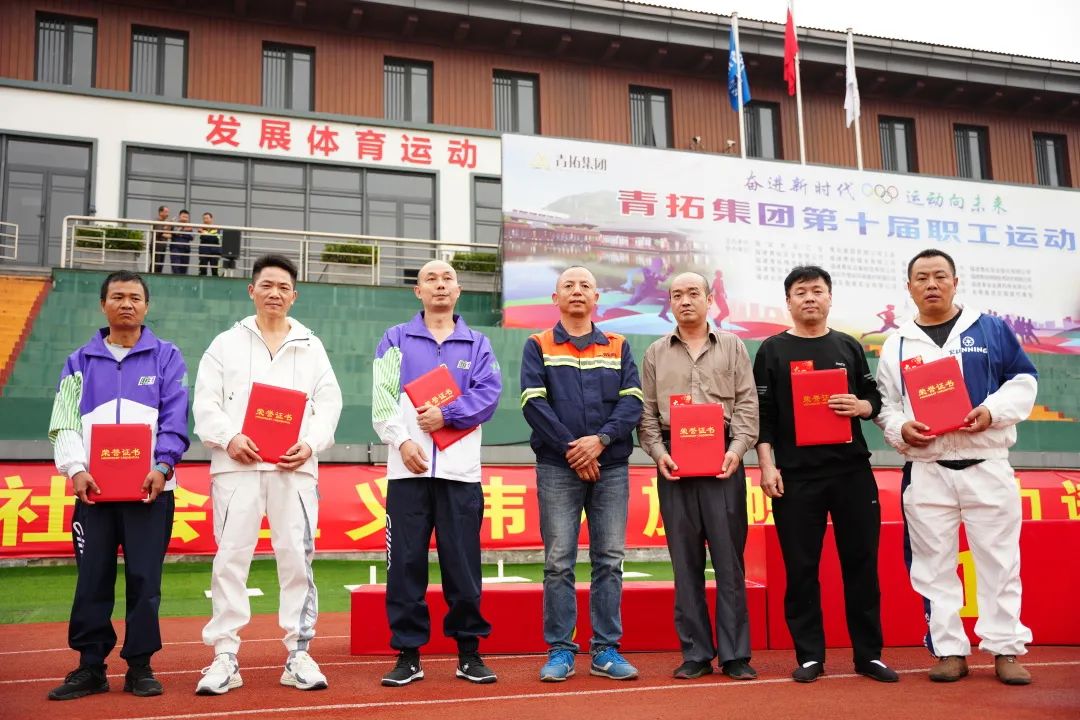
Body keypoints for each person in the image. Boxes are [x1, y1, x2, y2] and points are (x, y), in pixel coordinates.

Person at [875, 248, 1037, 686]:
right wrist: (901, 428)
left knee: (1000, 561)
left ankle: (1005, 648)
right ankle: (948, 650)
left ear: (955, 282)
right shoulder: (897, 343)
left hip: (987, 464)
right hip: (928, 469)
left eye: (940, 276)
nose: (931, 284)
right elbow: (887, 405)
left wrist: (992, 411)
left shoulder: (990, 329)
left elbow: (1024, 380)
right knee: (933, 564)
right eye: (922, 278)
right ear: (909, 287)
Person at [193, 254, 342, 695]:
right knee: (230, 559)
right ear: (251, 291)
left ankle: (298, 653)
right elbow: (205, 402)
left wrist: (310, 443)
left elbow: (329, 404)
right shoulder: (225, 344)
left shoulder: (311, 346)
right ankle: (224, 655)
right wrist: (228, 437)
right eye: (266, 285)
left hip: (293, 470)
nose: (274, 293)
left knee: (296, 558)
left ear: (294, 295)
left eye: (283, 287)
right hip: (236, 468)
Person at [46, 270, 190, 701]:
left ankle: (140, 666)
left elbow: (175, 418)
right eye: (117, 296)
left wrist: (163, 465)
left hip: (151, 491)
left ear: (146, 306)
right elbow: (64, 422)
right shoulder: (79, 361)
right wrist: (76, 469)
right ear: (103, 304)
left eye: (135, 297)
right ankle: (90, 666)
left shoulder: (167, 357)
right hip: (93, 492)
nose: (126, 304)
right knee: (93, 579)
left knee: (145, 580)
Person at [753, 266, 898, 684]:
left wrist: (862, 407)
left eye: (817, 291)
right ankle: (810, 656)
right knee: (801, 569)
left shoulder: (847, 345)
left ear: (830, 298)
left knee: (861, 565)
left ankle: (868, 655)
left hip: (851, 472)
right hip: (797, 478)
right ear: (789, 302)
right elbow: (764, 415)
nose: (810, 298)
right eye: (801, 292)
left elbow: (873, 396)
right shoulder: (772, 351)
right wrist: (766, 465)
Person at [372, 260, 502, 687]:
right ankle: (408, 654)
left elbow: (488, 396)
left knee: (462, 567)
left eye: (447, 279)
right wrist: (402, 441)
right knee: (404, 565)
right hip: (406, 472)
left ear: (458, 290)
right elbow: (382, 398)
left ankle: (469, 653)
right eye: (431, 279)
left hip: (459, 475)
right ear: (418, 291)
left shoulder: (478, 344)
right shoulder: (394, 338)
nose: (440, 285)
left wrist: (447, 415)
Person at [520, 266, 644, 682]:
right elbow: (533, 402)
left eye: (585, 286)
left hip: (611, 466)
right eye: (568, 286)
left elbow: (633, 402)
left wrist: (601, 441)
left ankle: (606, 649)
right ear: (555, 298)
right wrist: (573, 449)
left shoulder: (618, 345)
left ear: (597, 299)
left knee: (609, 560)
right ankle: (560, 650)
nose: (577, 291)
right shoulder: (537, 344)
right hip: (558, 467)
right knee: (558, 562)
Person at [637, 272, 759, 682]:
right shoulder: (655, 352)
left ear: (709, 300)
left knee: (729, 561)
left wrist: (736, 450)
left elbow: (747, 403)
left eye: (693, 293)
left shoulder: (733, 345)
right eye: (677, 295)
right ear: (670, 303)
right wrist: (659, 454)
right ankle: (696, 652)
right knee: (685, 562)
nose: (685, 300)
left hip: (723, 459)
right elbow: (646, 414)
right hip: (675, 462)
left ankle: (735, 654)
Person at [198, 212, 222, 277]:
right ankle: (202, 283)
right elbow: (204, 238)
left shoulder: (217, 228)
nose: (205, 220)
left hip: (215, 251)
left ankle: (215, 283)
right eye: (204, 218)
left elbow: (215, 239)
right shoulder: (200, 228)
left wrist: (205, 233)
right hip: (204, 251)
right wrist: (208, 235)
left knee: (215, 271)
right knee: (202, 271)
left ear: (211, 219)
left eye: (207, 218)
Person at [170, 209, 194, 275]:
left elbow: (192, 237)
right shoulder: (175, 224)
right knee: (175, 267)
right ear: (179, 216)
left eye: (186, 217)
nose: (185, 218)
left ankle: (182, 281)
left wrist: (181, 233)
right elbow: (175, 233)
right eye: (184, 216)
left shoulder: (189, 226)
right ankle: (176, 280)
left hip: (186, 249)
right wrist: (184, 230)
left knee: (184, 268)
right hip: (176, 248)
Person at [152, 205, 173, 274]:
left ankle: (158, 277)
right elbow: (158, 233)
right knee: (156, 264)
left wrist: (166, 229)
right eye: (166, 212)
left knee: (161, 264)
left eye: (168, 212)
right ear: (160, 212)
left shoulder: (166, 222)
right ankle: (152, 277)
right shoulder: (157, 221)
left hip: (163, 245)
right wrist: (166, 227)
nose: (168, 214)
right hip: (156, 245)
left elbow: (170, 235)